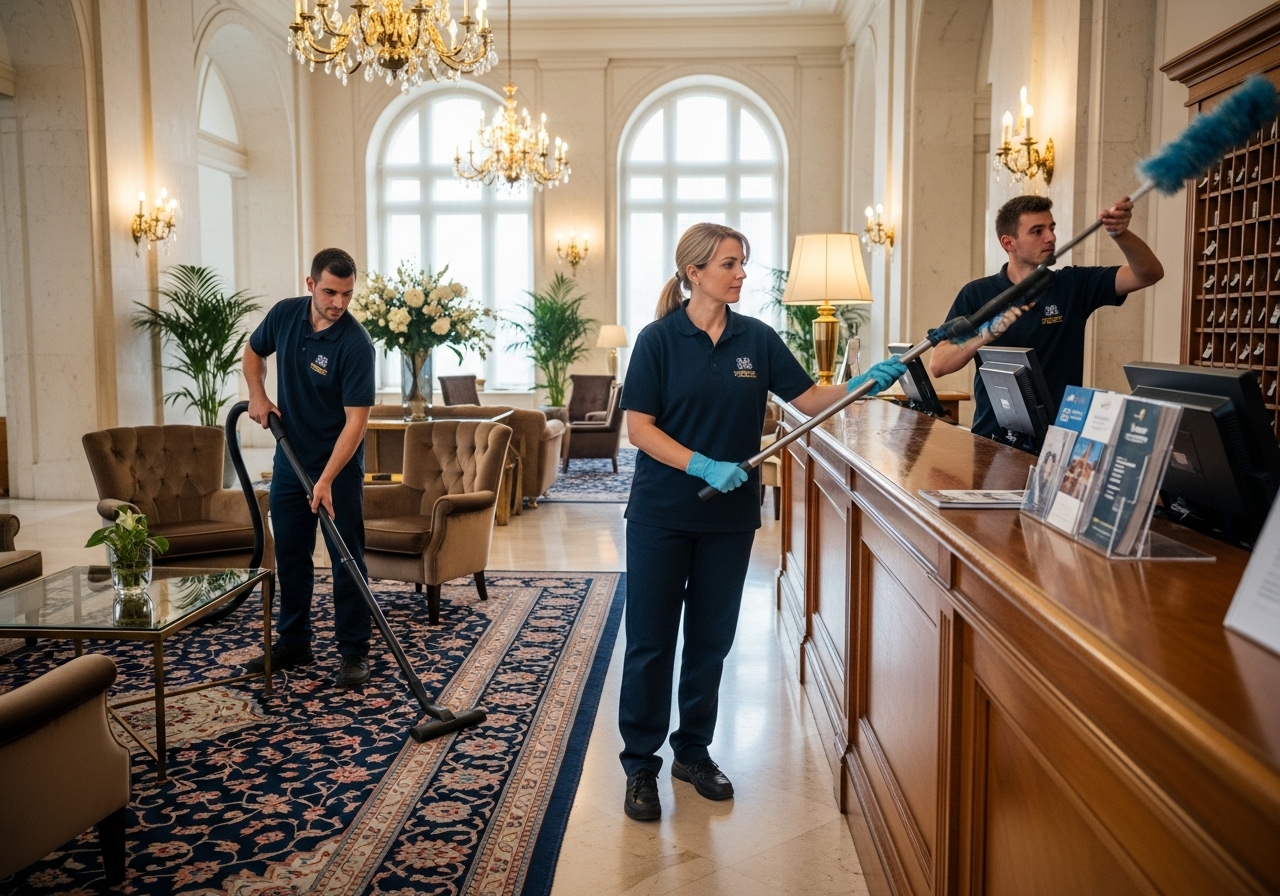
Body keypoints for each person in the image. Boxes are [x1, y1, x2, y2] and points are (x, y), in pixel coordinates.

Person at [617, 222, 907, 821]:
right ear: (694, 273)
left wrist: (861, 384)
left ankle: (691, 752)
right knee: (651, 642)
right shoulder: (657, 340)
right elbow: (639, 429)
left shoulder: (758, 339)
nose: (742, 274)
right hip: (662, 514)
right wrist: (700, 463)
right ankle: (640, 765)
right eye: (730, 264)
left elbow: (806, 401)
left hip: (729, 516)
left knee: (711, 641)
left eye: (742, 263)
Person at [242, 248, 377, 689]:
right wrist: (257, 394)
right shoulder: (284, 316)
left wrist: (326, 480)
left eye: (348, 294)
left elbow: (357, 422)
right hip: (290, 462)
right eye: (330, 292)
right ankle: (294, 642)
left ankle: (354, 651)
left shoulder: (356, 345)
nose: (339, 303)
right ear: (310, 284)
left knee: (346, 558)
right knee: (292, 554)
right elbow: (252, 351)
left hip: (338, 467)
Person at [928, 194, 1164, 441]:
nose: (1050, 237)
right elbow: (939, 365)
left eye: (1051, 228)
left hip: (1057, 440)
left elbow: (1149, 274)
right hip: (992, 439)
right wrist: (986, 333)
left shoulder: (1073, 284)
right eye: (1037, 231)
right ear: (1009, 243)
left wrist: (1120, 234)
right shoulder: (977, 293)